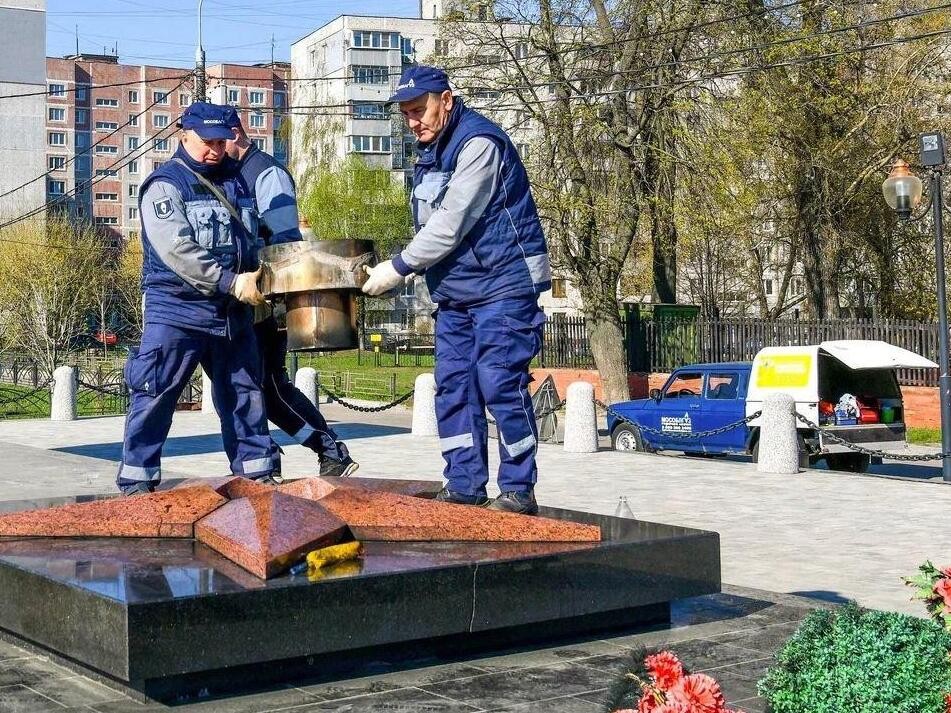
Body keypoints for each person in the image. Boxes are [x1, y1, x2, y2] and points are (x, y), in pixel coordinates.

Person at [362, 66, 550, 515]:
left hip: (504, 285)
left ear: (446, 100)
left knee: (499, 381)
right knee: (454, 387)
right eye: (406, 115)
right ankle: (464, 483)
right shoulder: (431, 153)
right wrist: (408, 270)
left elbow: (450, 223)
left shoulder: (479, 143)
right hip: (457, 293)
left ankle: (518, 489)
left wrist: (400, 266)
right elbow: (432, 227)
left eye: (419, 110)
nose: (413, 122)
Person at [116, 102, 278, 495]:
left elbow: (253, 237)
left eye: (222, 142)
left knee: (244, 395)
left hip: (231, 313)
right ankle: (138, 482)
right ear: (183, 136)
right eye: (207, 141)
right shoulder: (166, 184)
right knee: (155, 394)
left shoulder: (236, 182)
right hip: (177, 311)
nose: (215, 149)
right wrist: (230, 281)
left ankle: (257, 477)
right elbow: (178, 250)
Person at [223, 109, 358, 478]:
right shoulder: (231, 173)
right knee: (251, 389)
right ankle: (272, 459)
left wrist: (272, 296)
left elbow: (284, 244)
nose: (215, 148)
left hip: (266, 304)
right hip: (239, 300)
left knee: (268, 388)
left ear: (235, 134)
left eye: (219, 139)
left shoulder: (265, 173)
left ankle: (327, 450)